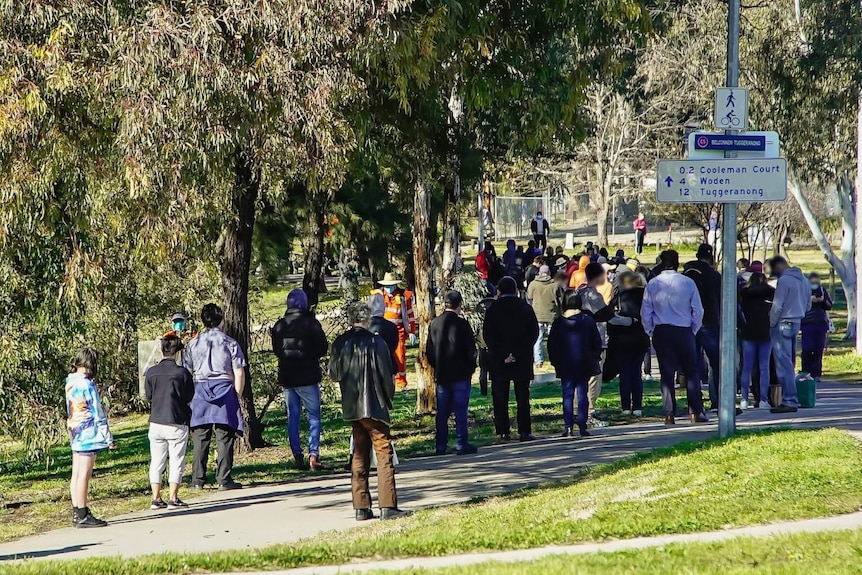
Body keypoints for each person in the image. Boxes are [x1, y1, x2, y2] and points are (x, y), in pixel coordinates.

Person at [329, 302, 411, 521]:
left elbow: (334, 374)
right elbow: (387, 376)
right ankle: (388, 505)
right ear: (366, 320)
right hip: (375, 405)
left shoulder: (340, 343)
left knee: (359, 453)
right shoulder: (377, 342)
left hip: (353, 406)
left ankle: (361, 506)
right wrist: (387, 400)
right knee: (383, 453)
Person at [641, 250, 708, 425]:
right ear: (678, 263)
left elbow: (646, 311)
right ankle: (695, 411)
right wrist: (693, 328)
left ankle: (669, 413)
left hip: (662, 330)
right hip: (684, 330)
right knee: (691, 371)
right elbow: (698, 310)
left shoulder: (653, 284)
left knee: (666, 372)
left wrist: (650, 330)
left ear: (662, 263)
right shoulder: (688, 282)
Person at [183, 304, 245, 491]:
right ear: (221, 319)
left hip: (199, 390)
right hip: (225, 389)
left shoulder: (193, 344)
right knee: (224, 436)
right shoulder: (230, 343)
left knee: (201, 436)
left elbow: (186, 372)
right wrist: (237, 395)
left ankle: (197, 480)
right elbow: (239, 373)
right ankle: (224, 479)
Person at [272, 289, 329, 471]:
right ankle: (314, 455)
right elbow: (322, 347)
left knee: (293, 417)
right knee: (313, 416)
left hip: (288, 377)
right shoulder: (310, 323)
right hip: (308, 376)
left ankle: (297, 455)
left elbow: (277, 350)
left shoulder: (279, 325)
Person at [483, 276, 540, 441]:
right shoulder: (525, 308)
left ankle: (503, 430)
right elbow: (533, 334)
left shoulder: (493, 309)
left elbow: (488, 335)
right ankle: (524, 430)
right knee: (522, 396)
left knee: (500, 396)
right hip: (522, 359)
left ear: (499, 291)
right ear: (515, 290)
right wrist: (517, 353)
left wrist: (503, 354)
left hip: (499, 360)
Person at [145, 333, 195, 510]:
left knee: (156, 461)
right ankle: (173, 497)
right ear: (178, 351)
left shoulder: (151, 372)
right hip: (177, 420)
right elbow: (189, 396)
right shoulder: (182, 373)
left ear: (161, 349)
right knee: (177, 460)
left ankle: (156, 497)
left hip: (156, 421)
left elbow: (149, 397)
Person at [66, 348, 115, 528]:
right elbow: (98, 411)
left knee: (76, 473)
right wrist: (108, 436)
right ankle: (83, 513)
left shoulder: (70, 382)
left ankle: (76, 510)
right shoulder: (87, 384)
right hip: (88, 432)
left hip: (75, 430)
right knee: (84, 475)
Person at [427, 291, 478, 456]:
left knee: (442, 412)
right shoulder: (462, 324)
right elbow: (471, 349)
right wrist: (471, 367)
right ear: (459, 304)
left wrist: (437, 366)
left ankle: (440, 444)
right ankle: (461, 442)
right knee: (461, 410)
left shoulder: (434, 324)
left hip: (443, 373)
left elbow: (429, 352)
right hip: (461, 373)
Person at [547, 289, 602, 438]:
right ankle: (582, 425)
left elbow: (552, 345)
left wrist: (555, 361)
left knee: (567, 394)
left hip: (565, 363)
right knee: (582, 394)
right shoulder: (587, 320)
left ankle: (568, 426)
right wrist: (594, 356)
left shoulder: (558, 323)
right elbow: (597, 342)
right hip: (584, 362)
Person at [768, 257, 811, 413]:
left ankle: (789, 400)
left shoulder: (784, 281)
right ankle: (791, 397)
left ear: (780, 265)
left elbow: (777, 306)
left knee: (783, 364)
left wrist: (771, 323)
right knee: (790, 361)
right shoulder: (804, 280)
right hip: (796, 322)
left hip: (782, 323)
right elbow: (808, 305)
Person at [683, 244, 722, 411]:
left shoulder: (686, 275)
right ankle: (717, 400)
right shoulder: (715, 276)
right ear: (711, 257)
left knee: (693, 363)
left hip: (688, 323)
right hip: (709, 322)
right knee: (715, 363)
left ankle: (695, 403)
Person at [608, 271, 649, 416]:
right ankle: (637, 406)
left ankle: (626, 406)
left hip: (622, 339)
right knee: (636, 372)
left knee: (625, 373)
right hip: (640, 337)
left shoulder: (619, 298)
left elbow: (610, 319)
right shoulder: (646, 297)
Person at [579, 263, 615, 428]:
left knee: (583, 378)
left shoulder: (580, 292)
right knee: (594, 378)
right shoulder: (593, 295)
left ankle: (581, 410)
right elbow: (607, 315)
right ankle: (589, 412)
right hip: (596, 340)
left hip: (582, 340)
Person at [371, 273, 416, 390]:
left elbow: (410, 314)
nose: (389, 288)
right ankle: (384, 382)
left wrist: (411, 331)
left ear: (395, 285)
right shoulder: (378, 296)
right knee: (382, 357)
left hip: (399, 332)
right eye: (387, 286)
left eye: (391, 286)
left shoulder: (403, 296)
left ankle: (401, 383)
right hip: (381, 331)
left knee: (400, 358)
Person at [739, 272, 774, 409]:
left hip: (748, 332)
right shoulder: (771, 293)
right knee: (764, 367)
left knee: (746, 367)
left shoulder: (744, 294)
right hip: (766, 333)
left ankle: (744, 399)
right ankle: (763, 399)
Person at [526, 265, 560, 368]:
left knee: (538, 338)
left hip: (537, 315)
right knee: (553, 339)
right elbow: (559, 300)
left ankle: (538, 361)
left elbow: (529, 297)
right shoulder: (555, 285)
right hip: (552, 315)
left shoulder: (533, 284)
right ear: (549, 272)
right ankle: (555, 358)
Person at [801, 272, 833, 381]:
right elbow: (799, 305)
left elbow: (829, 305)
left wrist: (822, 300)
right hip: (807, 323)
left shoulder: (823, 290)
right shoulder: (803, 291)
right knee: (807, 349)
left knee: (818, 349)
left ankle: (816, 373)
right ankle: (806, 371)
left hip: (820, 323)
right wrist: (809, 300)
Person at [475, 292, 497, 396]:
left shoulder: (480, 311)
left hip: (482, 344)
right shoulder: (495, 308)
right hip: (492, 346)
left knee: (483, 370)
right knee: (493, 370)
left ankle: (484, 391)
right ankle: (494, 390)